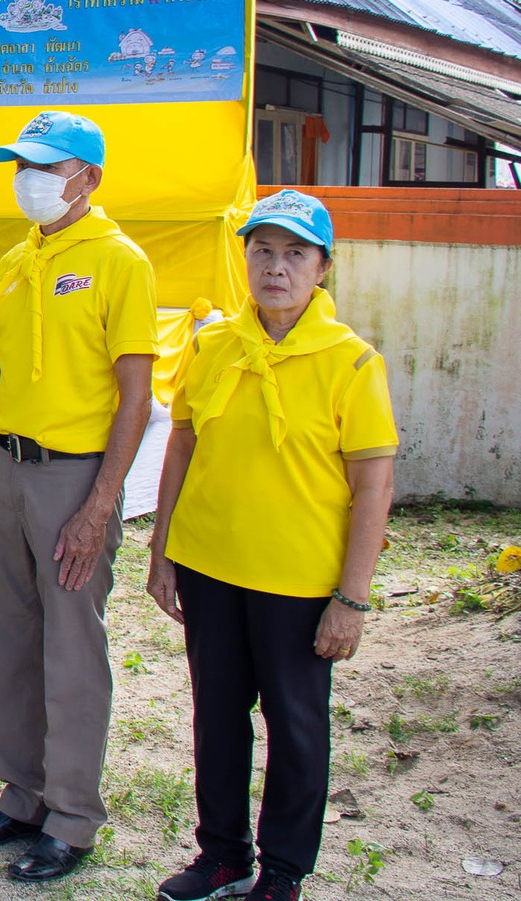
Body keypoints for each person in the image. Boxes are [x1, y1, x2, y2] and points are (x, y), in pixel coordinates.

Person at [147, 191, 397, 901]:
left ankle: (283, 869)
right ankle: (223, 855)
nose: (275, 268)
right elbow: (183, 443)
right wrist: (163, 549)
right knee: (217, 718)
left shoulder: (352, 363)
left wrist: (351, 599)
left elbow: (374, 485)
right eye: (262, 251)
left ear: (323, 267)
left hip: (298, 580)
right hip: (211, 566)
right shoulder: (213, 344)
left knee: (295, 726)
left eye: (294, 254)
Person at [0, 111, 156, 883]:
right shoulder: (20, 257)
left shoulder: (119, 261)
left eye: (44, 166)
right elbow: (3, 373)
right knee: (9, 640)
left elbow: (136, 395)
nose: (28, 179)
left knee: (71, 649)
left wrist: (100, 505)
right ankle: (22, 794)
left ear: (88, 177)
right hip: (7, 467)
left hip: (74, 476)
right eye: (20, 166)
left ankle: (71, 817)